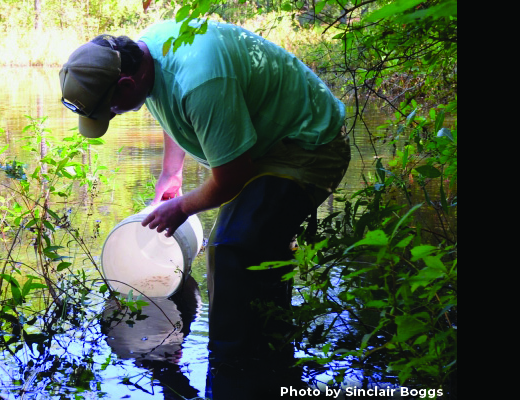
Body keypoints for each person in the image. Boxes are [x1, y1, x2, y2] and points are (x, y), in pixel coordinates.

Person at [59, 18, 350, 395]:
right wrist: (171, 173)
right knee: (255, 246)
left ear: (127, 84)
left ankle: (232, 368)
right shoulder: (145, 56)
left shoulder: (200, 79)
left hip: (307, 146)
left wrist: (181, 208)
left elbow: (231, 177)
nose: (112, 118)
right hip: (263, 146)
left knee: (232, 247)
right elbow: (169, 104)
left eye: (111, 111)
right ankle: (270, 352)